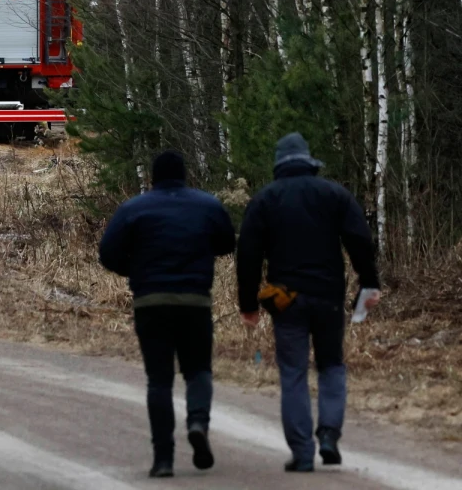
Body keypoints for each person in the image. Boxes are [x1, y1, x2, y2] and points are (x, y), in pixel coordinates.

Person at [237, 132, 382, 473]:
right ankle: (329, 434)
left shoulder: (265, 199)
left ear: (278, 165)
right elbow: (359, 239)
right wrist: (370, 282)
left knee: (293, 372)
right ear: (309, 161)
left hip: (284, 299)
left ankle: (303, 452)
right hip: (328, 295)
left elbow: (248, 255)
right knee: (331, 365)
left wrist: (248, 304)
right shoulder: (334, 194)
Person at [99, 150, 236, 478]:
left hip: (151, 301)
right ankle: (198, 423)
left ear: (152, 177)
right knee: (198, 370)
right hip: (194, 301)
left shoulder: (133, 208)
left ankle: (163, 459)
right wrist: (201, 251)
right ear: (184, 175)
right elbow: (227, 243)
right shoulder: (208, 205)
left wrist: (134, 271)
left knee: (159, 380)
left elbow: (107, 252)